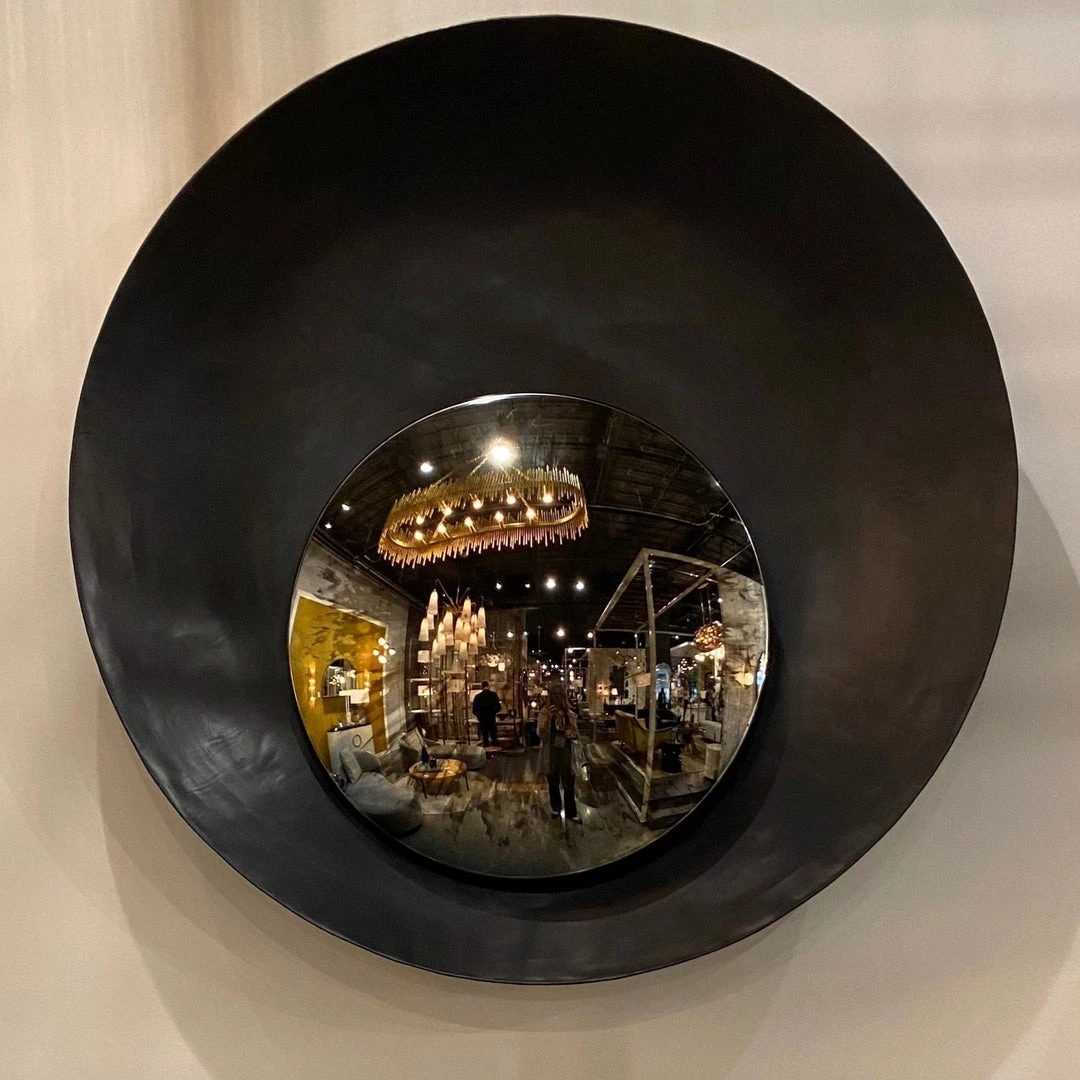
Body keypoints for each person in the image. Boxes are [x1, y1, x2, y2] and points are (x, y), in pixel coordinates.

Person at [537, 684, 581, 822]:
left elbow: (577, 734)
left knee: (569, 783)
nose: (557, 698)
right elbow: (540, 733)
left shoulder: (569, 714)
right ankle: (556, 807)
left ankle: (571, 812)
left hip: (566, 752)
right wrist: (548, 718)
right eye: (554, 695)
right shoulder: (544, 713)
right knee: (553, 781)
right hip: (551, 752)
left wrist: (572, 734)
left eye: (559, 695)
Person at [471, 681, 501, 748]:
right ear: (488, 686)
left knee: (485, 737)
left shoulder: (478, 697)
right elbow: (499, 707)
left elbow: (474, 710)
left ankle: (486, 750)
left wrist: (479, 716)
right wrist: (493, 712)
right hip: (491, 718)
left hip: (482, 720)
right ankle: (495, 750)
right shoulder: (493, 695)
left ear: (482, 687)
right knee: (494, 736)